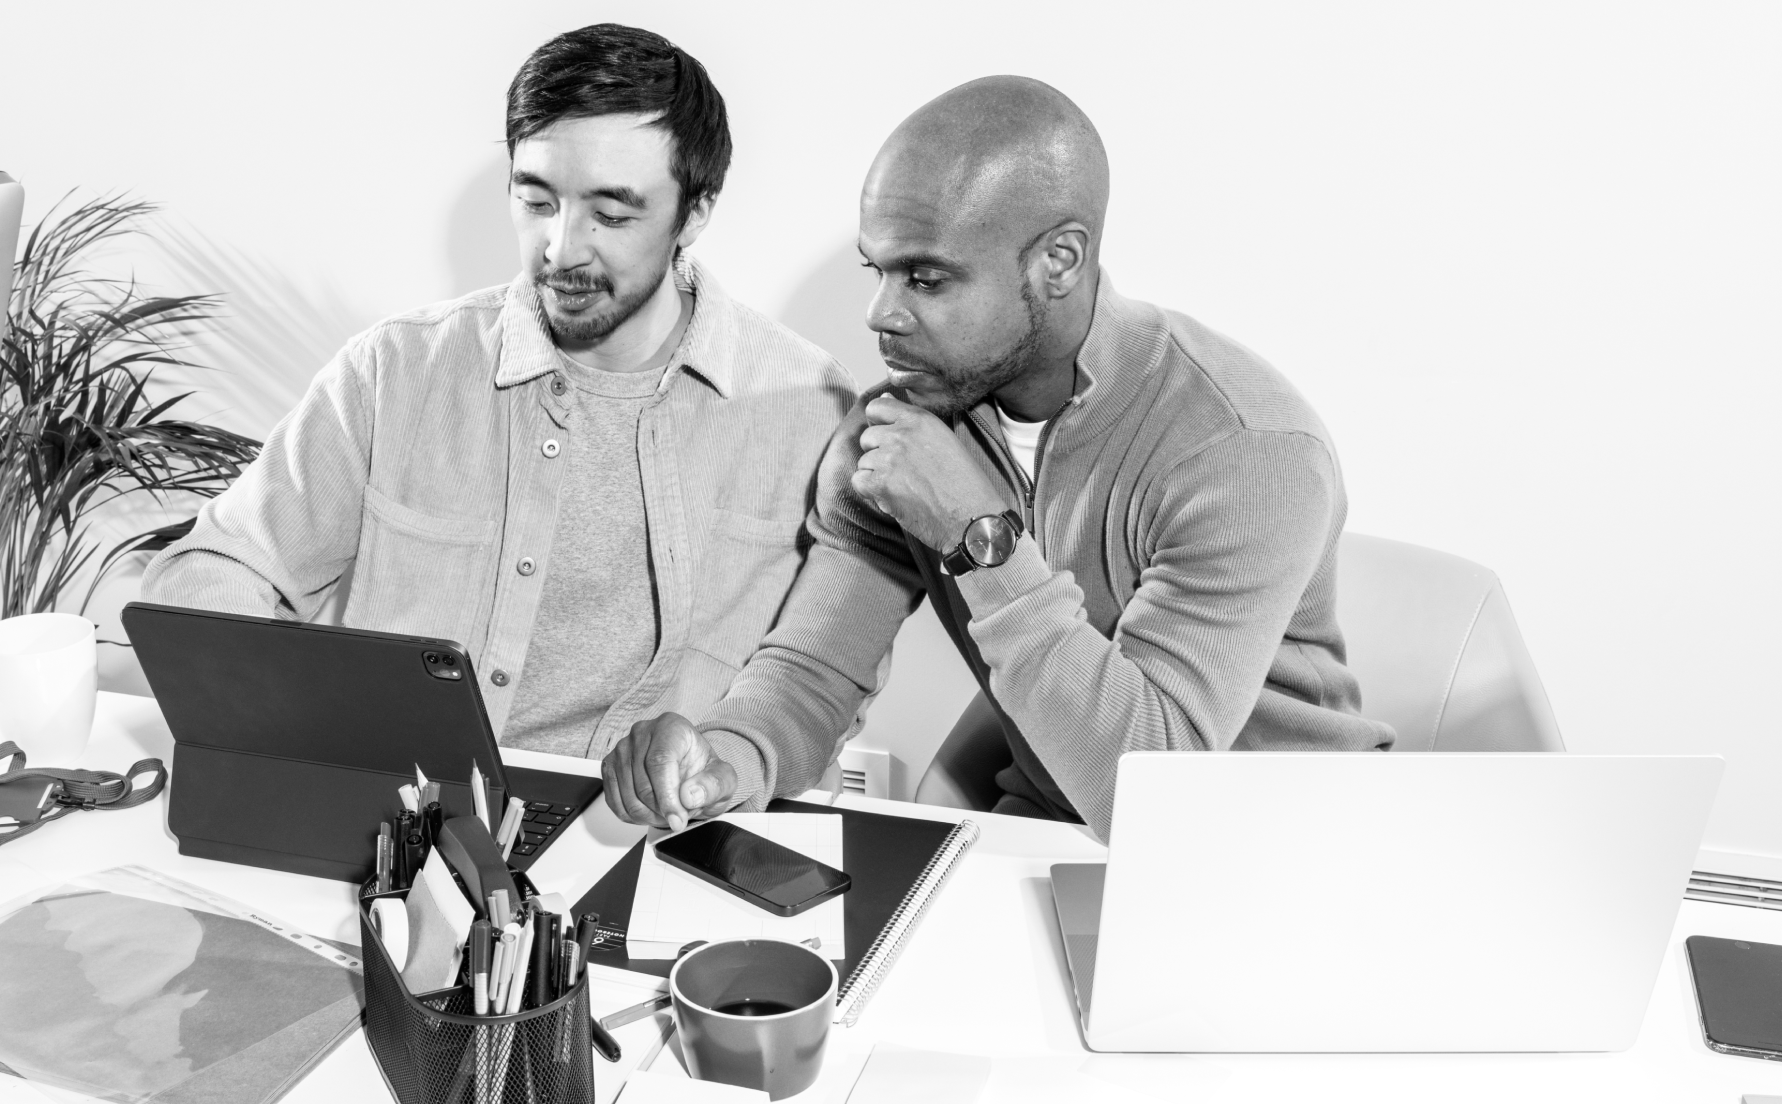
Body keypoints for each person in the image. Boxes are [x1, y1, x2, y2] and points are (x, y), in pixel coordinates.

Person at [602, 76, 1395, 839]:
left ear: (1059, 262)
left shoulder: (1245, 453)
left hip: (1297, 845)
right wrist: (723, 762)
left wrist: (980, 535)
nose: (881, 314)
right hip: (1059, 830)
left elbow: (1154, 788)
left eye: (928, 277)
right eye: (879, 270)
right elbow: (814, 671)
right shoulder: (898, 432)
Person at [143, 25, 853, 768]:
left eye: (612, 215)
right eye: (537, 200)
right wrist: (287, 721)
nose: (562, 248)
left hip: (665, 835)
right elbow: (219, 567)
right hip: (412, 811)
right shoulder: (399, 370)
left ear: (696, 211)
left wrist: (729, 759)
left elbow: (829, 669)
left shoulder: (807, 405)